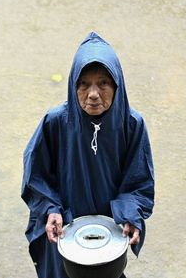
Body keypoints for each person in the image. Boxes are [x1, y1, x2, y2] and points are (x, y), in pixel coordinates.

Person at [21, 32, 155, 278]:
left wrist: (129, 214)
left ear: (117, 85)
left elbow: (139, 183)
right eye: (84, 84)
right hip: (65, 229)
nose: (93, 93)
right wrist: (51, 209)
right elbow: (36, 175)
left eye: (103, 83)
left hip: (108, 234)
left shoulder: (131, 125)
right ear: (74, 85)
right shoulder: (56, 122)